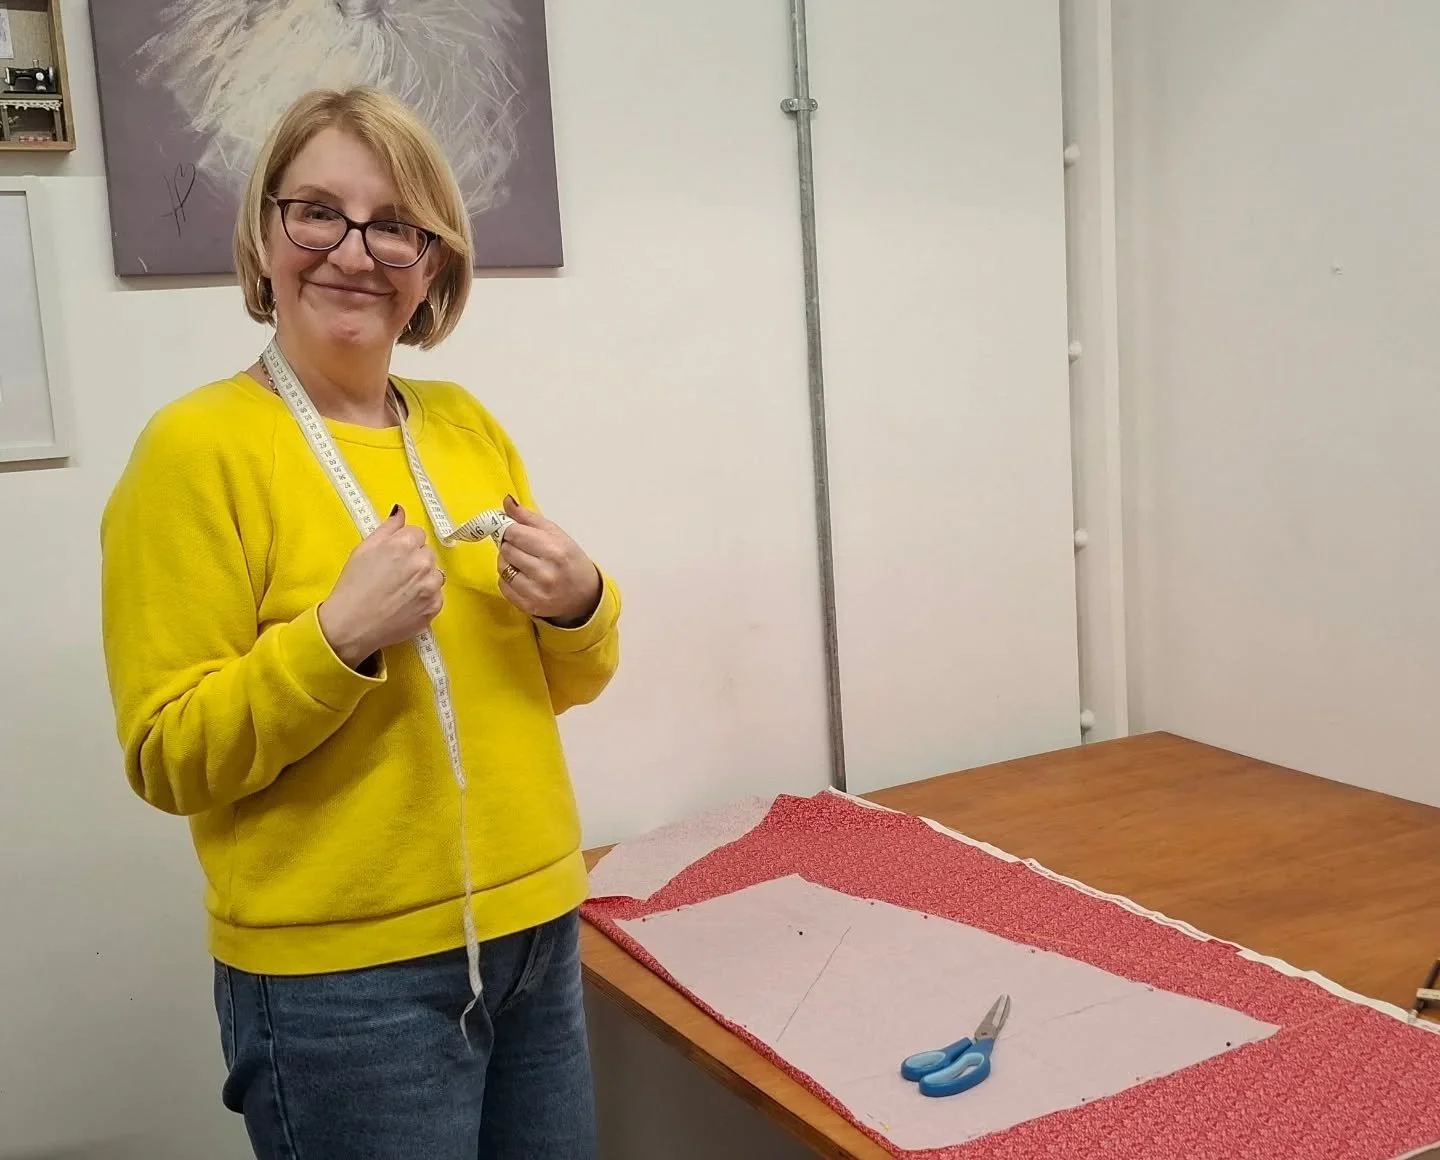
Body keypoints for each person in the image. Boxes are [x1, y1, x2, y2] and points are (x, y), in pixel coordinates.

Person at [99, 86, 620, 1160]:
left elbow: (553, 683)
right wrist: (335, 638)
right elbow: (167, 754)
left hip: (538, 933)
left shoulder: (467, 426)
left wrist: (581, 603)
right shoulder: (195, 451)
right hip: (346, 987)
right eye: (318, 212)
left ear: (431, 262)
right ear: (263, 231)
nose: (354, 250)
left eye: (395, 224)